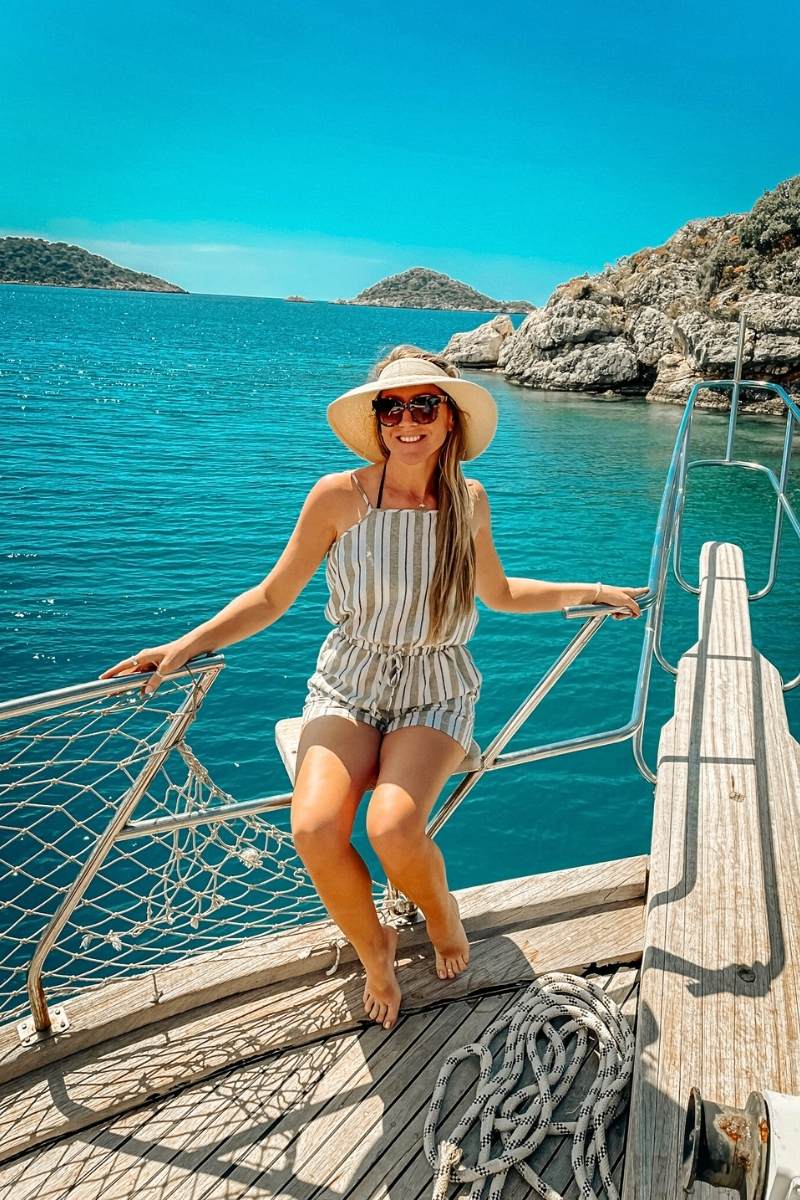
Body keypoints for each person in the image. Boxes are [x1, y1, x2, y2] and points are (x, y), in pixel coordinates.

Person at [100, 344, 648, 1033]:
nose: (407, 420)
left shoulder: (467, 500)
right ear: (378, 418)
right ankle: (376, 950)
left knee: (392, 826)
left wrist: (594, 590)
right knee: (315, 827)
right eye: (392, 406)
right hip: (349, 683)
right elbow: (273, 597)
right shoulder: (339, 497)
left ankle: (443, 912)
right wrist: (185, 646)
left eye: (424, 405)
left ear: (450, 420)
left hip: (434, 686)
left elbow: (499, 593)